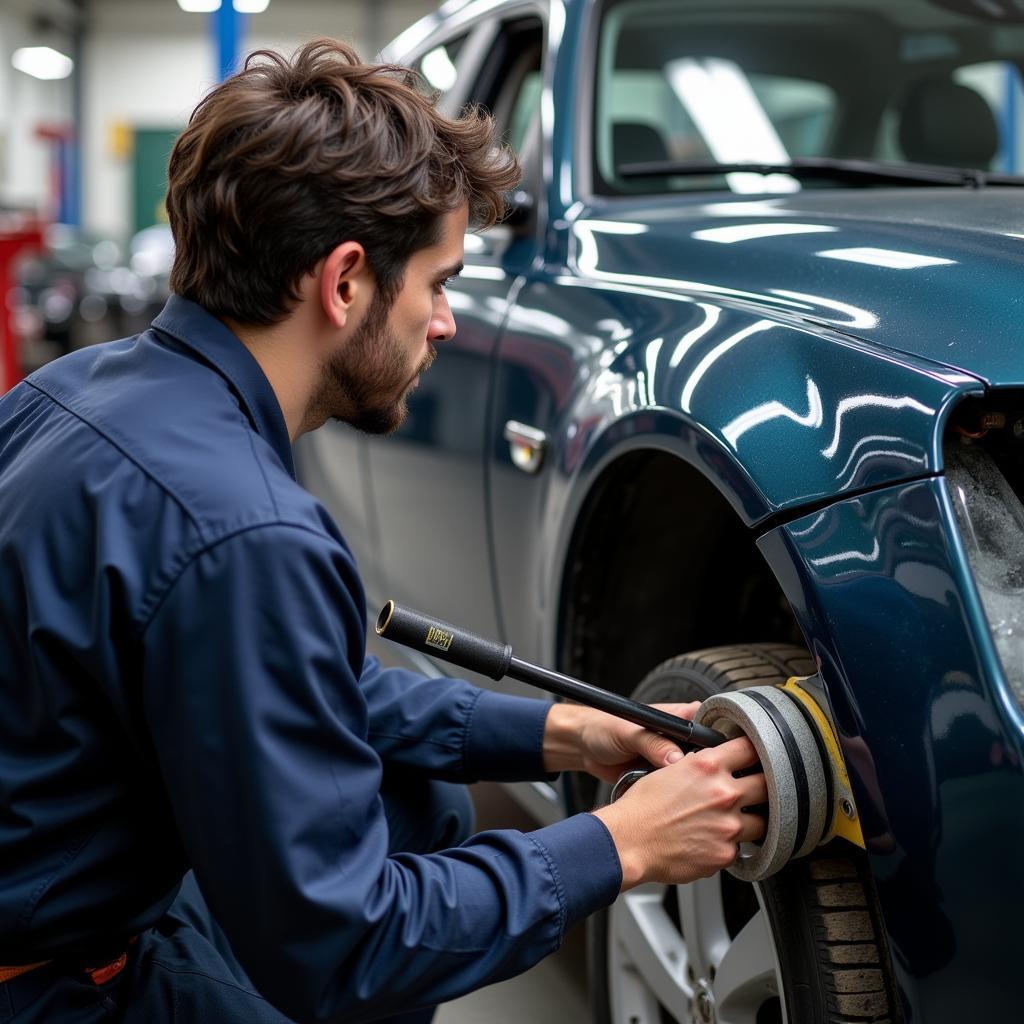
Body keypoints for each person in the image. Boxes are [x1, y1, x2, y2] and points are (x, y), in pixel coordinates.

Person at [0, 40, 768, 1023]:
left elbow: (303, 693)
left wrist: (565, 732)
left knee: (423, 805)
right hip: (51, 984)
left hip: (51, 892)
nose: (446, 322)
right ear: (346, 282)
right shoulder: (249, 533)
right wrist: (622, 846)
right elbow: (346, 942)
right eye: (439, 283)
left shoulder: (68, 393)